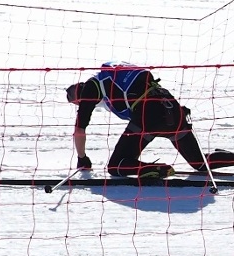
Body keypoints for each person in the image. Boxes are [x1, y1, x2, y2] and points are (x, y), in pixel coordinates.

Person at [66, 62, 210, 180]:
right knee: (201, 164)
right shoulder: (111, 76)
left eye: (77, 104)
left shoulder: (91, 89)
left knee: (116, 166)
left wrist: (82, 158)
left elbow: (79, 130)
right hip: (173, 109)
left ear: (79, 98)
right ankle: (232, 159)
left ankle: (157, 169)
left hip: (149, 118)